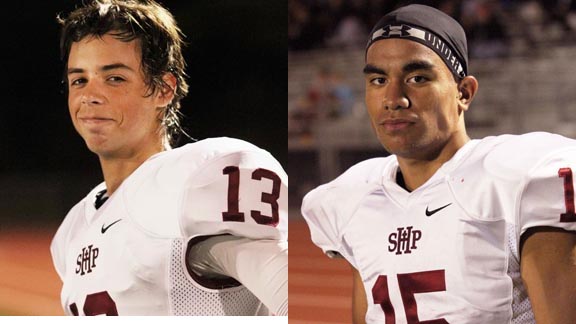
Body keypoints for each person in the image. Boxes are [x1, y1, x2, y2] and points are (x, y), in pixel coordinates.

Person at [301, 4, 576, 324]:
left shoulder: (517, 179)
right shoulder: (352, 197)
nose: (394, 98)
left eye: (417, 77)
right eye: (378, 80)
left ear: (464, 92)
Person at [50, 0, 287, 316]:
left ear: (163, 89)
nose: (89, 95)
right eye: (79, 79)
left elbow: (287, 292)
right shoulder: (71, 231)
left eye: (114, 78)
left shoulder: (194, 182)